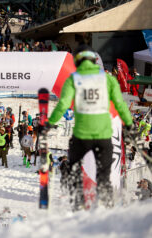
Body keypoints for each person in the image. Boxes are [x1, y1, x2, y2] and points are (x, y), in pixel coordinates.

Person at [46, 45, 133, 210]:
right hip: (104, 136)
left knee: (73, 169)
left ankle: (77, 204)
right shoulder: (109, 80)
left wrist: (49, 123)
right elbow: (121, 105)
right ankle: (108, 206)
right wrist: (129, 125)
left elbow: (63, 104)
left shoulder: (73, 79)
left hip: (82, 137)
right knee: (104, 175)